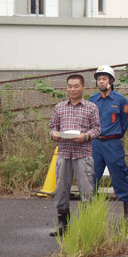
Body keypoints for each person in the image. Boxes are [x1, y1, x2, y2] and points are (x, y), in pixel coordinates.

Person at [48, 74, 101, 236]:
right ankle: (63, 225)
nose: (72, 89)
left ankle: (87, 226)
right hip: (64, 153)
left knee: (86, 190)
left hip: (83, 154)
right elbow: (51, 128)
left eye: (76, 86)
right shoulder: (59, 107)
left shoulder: (91, 107)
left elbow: (97, 129)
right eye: (70, 86)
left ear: (83, 87)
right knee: (61, 189)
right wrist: (54, 134)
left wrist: (85, 136)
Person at [88, 65, 128, 216]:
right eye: (99, 79)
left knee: (119, 175)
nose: (101, 82)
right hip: (95, 144)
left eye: (104, 79)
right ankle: (89, 211)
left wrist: (115, 136)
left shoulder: (120, 100)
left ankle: (127, 213)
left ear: (111, 81)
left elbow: (124, 123)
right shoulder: (92, 100)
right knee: (91, 176)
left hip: (113, 144)